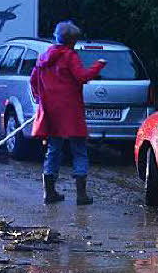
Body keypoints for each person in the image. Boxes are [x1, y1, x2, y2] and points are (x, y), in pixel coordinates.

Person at [30, 21, 106, 205]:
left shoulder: (43, 58)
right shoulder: (69, 56)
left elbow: (33, 81)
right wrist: (98, 65)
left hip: (51, 111)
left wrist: (41, 98)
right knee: (79, 150)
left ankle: (49, 192)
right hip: (71, 111)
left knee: (53, 149)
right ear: (72, 41)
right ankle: (81, 195)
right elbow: (82, 77)